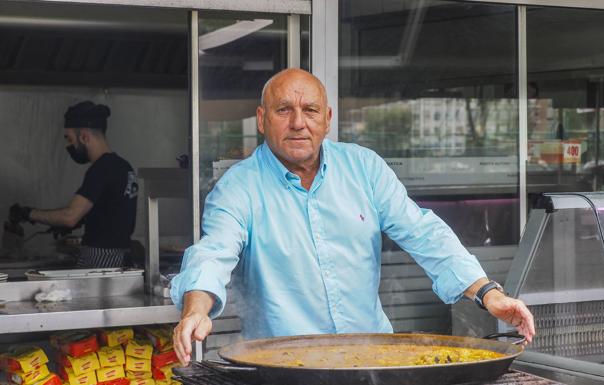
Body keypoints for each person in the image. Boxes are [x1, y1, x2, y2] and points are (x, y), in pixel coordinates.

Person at [171, 69, 535, 365]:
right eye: (284, 110)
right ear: (262, 120)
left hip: (372, 361)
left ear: (327, 119)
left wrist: (488, 293)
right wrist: (196, 310)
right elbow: (214, 253)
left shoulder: (364, 167)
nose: (299, 122)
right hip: (283, 368)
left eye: (310, 110)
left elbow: (424, 233)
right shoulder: (238, 187)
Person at [10, 100, 139, 268]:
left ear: (84, 136)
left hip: (100, 260)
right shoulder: (124, 166)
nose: (68, 145)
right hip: (121, 257)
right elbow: (113, 211)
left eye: (69, 139)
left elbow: (70, 217)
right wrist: (83, 220)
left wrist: (28, 214)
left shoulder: (101, 169)